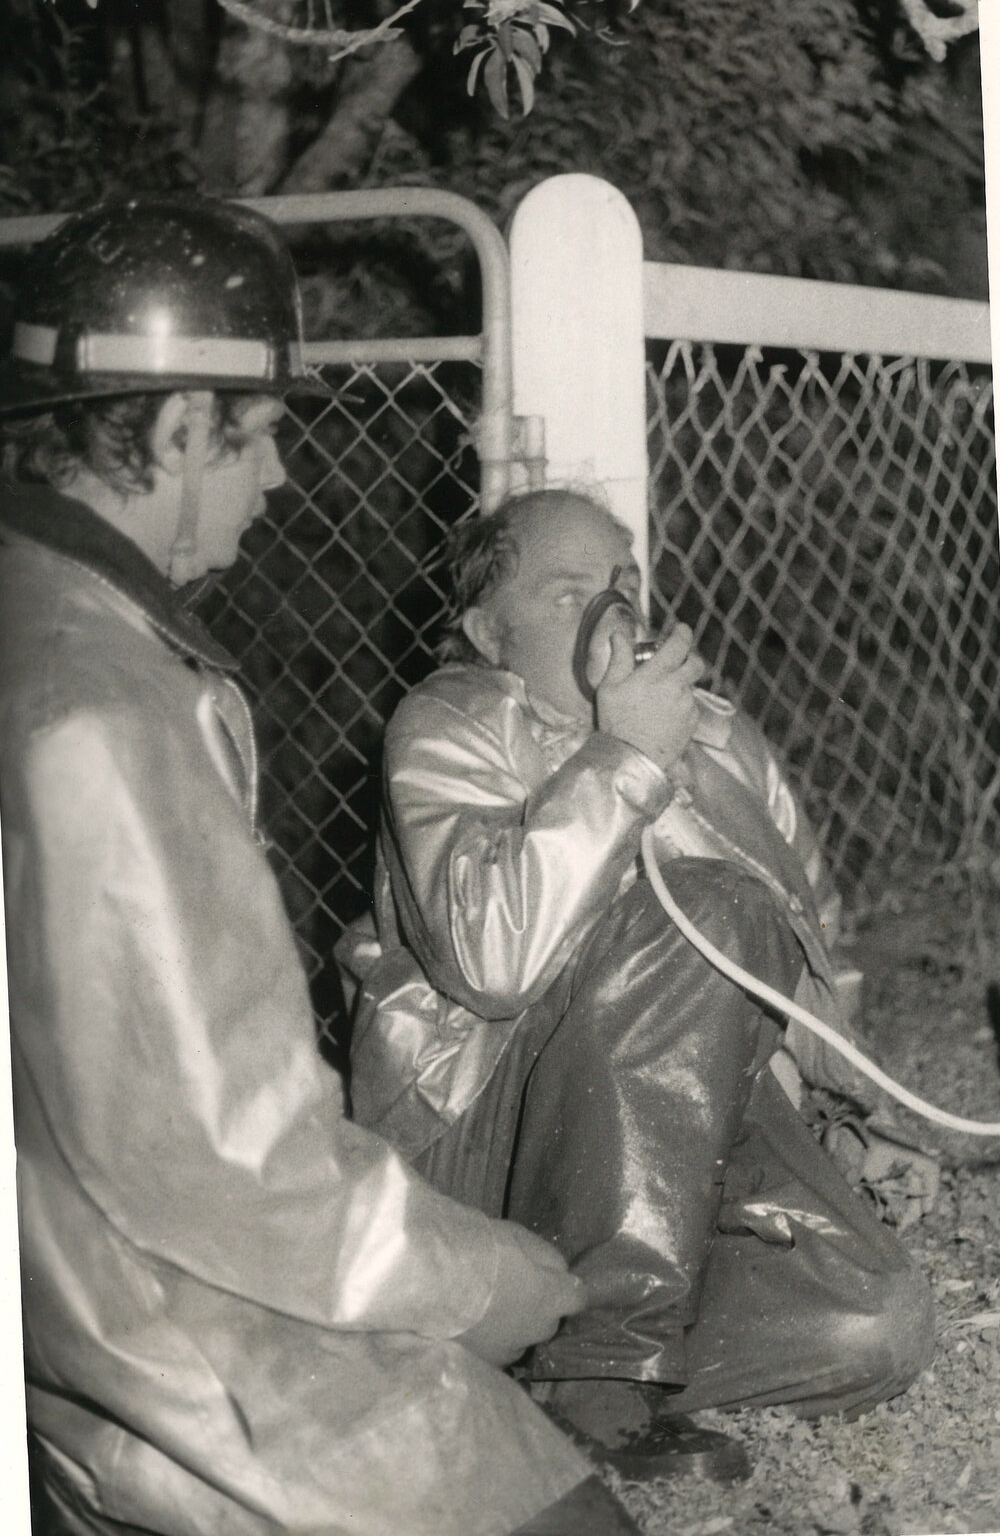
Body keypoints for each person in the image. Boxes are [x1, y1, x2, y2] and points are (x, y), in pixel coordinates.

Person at [0, 199, 642, 1536]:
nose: (281, 477)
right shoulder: (108, 712)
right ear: (179, 430)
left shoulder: (41, 613)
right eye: (265, 433)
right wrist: (486, 1279)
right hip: (162, 1352)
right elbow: (228, 1165)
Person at [342, 486, 937, 1483]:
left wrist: (850, 1110)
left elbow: (811, 957)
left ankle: (519, 1360)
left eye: (624, 579)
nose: (612, 603)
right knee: (705, 908)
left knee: (873, 1325)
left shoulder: (719, 740)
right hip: (487, 1145)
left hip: (664, 1171)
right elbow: (492, 968)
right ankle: (600, 1379)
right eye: (570, 588)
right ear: (487, 631)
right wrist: (621, 759)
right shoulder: (450, 722)